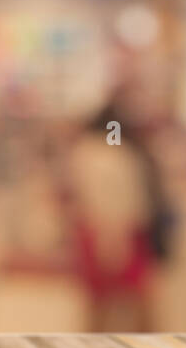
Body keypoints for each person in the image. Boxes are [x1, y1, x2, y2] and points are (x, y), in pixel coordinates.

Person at [60, 100, 176, 331]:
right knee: (138, 302)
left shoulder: (85, 151)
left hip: (99, 231)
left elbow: (85, 197)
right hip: (123, 232)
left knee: (100, 304)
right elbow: (119, 200)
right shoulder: (118, 153)